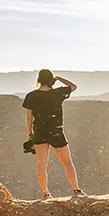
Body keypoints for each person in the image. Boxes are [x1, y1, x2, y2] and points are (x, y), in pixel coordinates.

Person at [23, 69, 84, 199]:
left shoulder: (31, 95)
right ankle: (76, 191)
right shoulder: (58, 93)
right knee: (67, 162)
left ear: (38, 80)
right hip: (56, 130)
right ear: (51, 80)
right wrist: (58, 78)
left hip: (39, 131)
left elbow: (29, 118)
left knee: (42, 163)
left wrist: (30, 135)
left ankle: (45, 193)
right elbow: (73, 86)